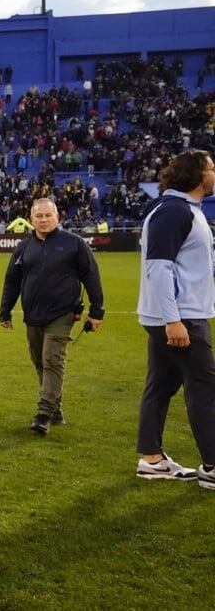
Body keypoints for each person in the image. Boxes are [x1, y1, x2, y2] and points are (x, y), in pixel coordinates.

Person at [134, 149, 215, 488]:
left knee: (162, 384)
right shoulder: (174, 211)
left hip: (173, 315)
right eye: (211, 168)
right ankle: (212, 466)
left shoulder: (182, 210)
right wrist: (173, 319)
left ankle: (151, 459)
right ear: (197, 175)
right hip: (180, 317)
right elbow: (159, 267)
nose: (214, 173)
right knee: (205, 387)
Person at [0, 198, 105, 435]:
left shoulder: (74, 244)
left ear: (57, 217)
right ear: (31, 218)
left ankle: (43, 414)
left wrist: (97, 311)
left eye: (48, 215)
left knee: (52, 360)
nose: (44, 220)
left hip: (63, 313)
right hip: (33, 315)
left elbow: (91, 276)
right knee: (40, 363)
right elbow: (12, 281)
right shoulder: (24, 247)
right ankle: (55, 410)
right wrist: (5, 311)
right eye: (39, 216)